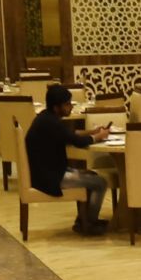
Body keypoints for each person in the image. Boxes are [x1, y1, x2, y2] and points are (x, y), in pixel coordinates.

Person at [22, 83, 112, 235]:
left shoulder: (46, 117)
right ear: (57, 107)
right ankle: (89, 223)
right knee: (100, 183)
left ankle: (83, 221)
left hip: (48, 172)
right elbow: (78, 142)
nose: (70, 107)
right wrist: (98, 137)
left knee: (91, 175)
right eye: (67, 104)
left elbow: (70, 134)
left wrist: (93, 131)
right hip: (51, 178)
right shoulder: (51, 122)